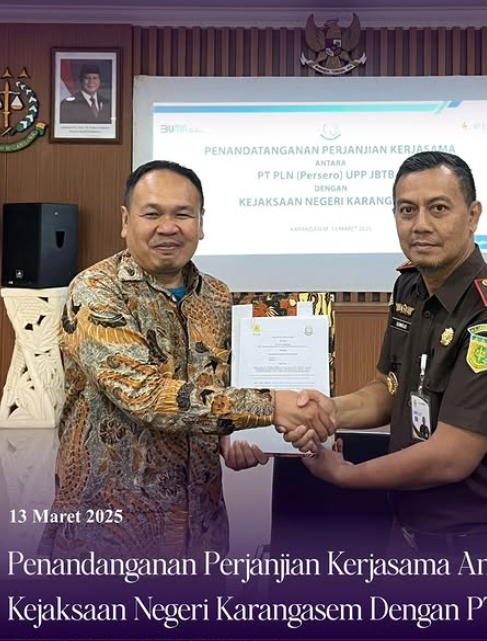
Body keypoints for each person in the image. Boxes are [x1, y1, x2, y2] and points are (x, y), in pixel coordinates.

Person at [38, 160, 335, 560]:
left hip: (202, 529)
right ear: (125, 221)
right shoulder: (96, 291)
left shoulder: (216, 296)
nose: (168, 227)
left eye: (182, 214)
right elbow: (145, 395)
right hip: (109, 535)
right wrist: (269, 407)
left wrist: (235, 436)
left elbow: (225, 389)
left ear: (200, 222)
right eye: (152, 214)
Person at [289, 151, 487, 566]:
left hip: (483, 554)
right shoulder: (410, 287)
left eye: (438, 208)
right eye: (407, 210)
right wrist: (328, 410)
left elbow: (451, 457)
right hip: (407, 539)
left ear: (473, 215)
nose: (420, 224)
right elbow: (388, 391)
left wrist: (348, 474)